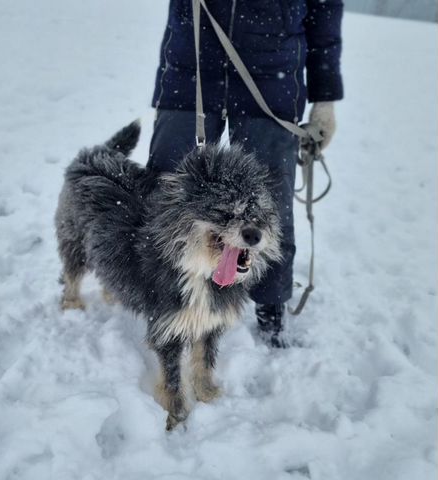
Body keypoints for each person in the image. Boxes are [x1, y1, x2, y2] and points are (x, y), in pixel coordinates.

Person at [147, 0, 343, 347]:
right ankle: (157, 291)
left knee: (269, 205)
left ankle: (270, 304)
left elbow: (325, 11)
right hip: (191, 64)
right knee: (166, 188)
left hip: (273, 76)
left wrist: (325, 98)